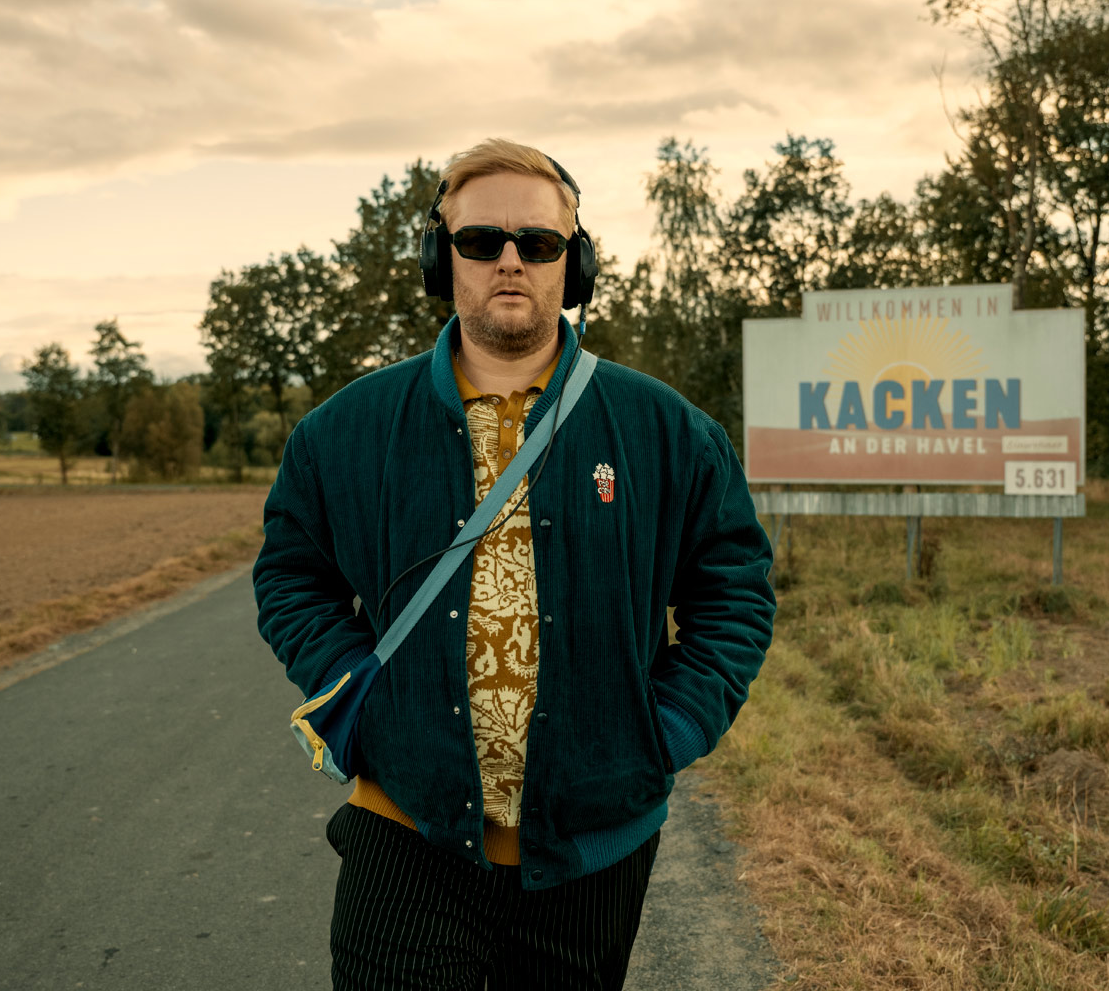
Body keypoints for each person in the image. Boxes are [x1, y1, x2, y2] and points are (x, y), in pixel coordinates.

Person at [253, 137, 775, 990]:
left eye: (537, 242)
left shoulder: (668, 431)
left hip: (594, 847)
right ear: (441, 258)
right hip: (406, 828)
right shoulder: (344, 431)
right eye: (479, 239)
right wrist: (361, 697)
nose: (509, 260)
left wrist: (671, 728)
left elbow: (736, 593)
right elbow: (290, 577)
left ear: (575, 263)